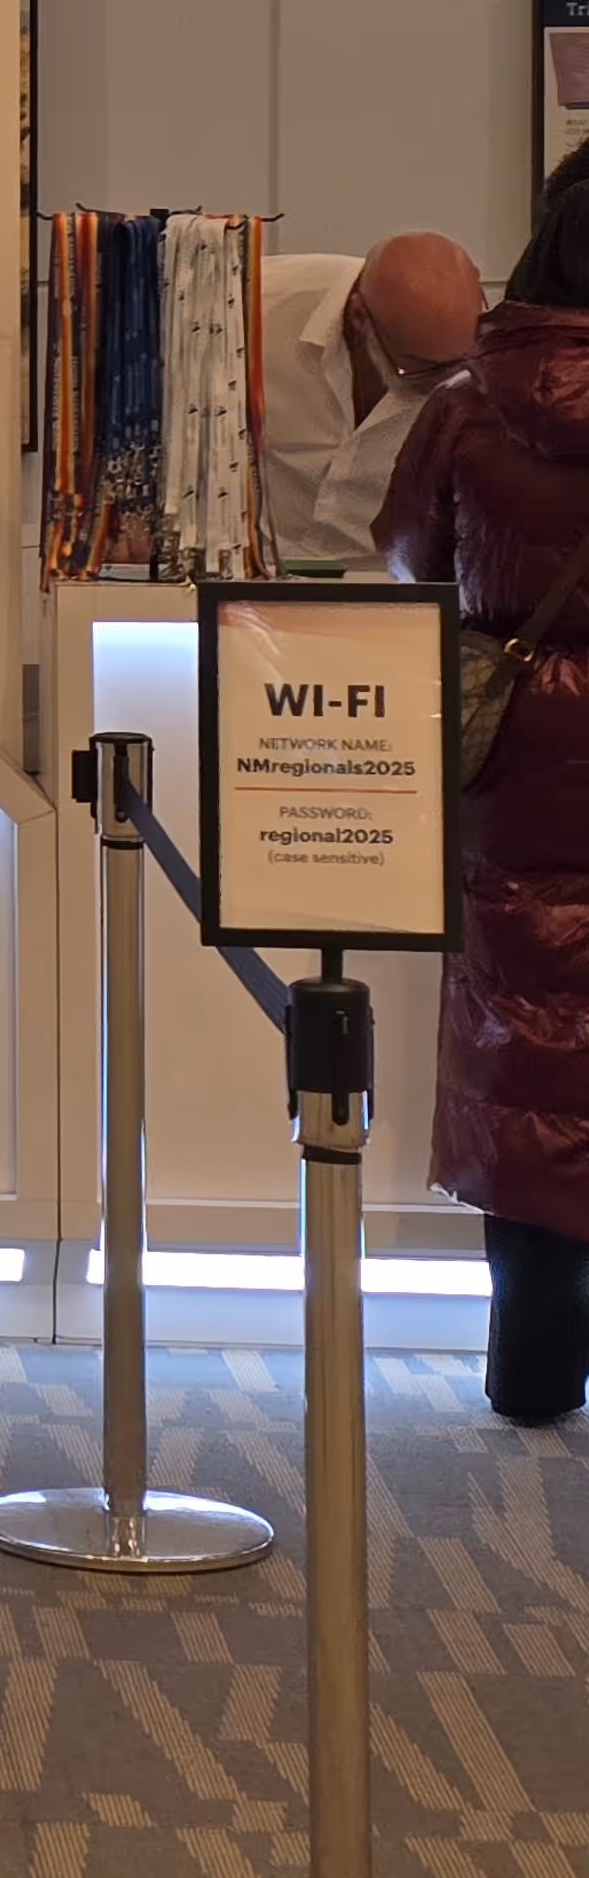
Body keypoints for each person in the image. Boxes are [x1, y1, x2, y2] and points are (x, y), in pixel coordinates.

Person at [377, 172, 589, 1423]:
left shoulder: (465, 403)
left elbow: (408, 558)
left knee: (530, 1056)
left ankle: (530, 1372)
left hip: (518, 768)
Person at [267, 234, 485, 567]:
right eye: (423, 368)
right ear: (359, 317)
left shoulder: (490, 361)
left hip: (387, 583)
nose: (445, 382)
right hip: (258, 573)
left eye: (460, 363)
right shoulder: (257, 305)